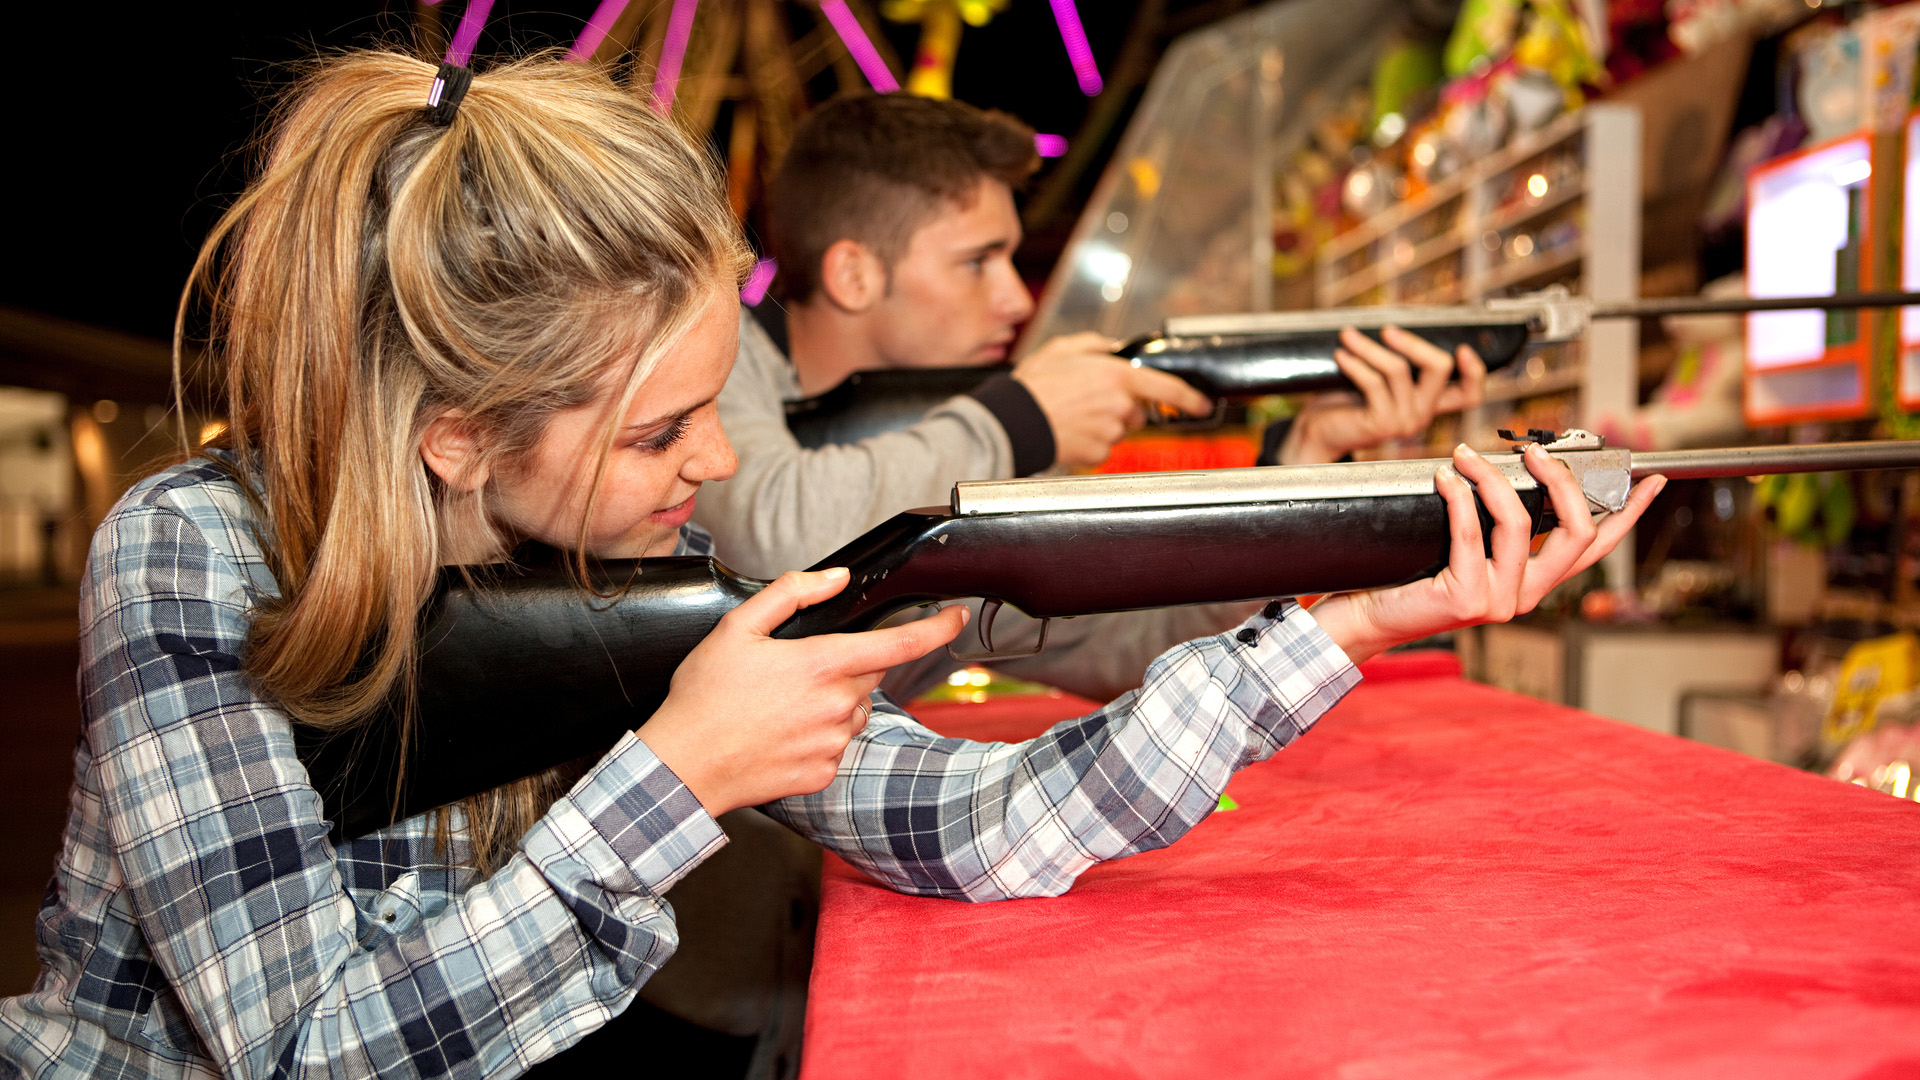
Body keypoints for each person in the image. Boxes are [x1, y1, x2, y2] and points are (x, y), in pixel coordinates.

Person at [0, 51, 1657, 1079]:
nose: (718, 466)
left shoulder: (596, 548)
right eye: (663, 435)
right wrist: (674, 777)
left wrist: (1351, 614)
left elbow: (976, 820)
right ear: (458, 435)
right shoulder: (195, 558)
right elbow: (308, 1054)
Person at [694, 92, 1488, 701]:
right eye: (980, 261)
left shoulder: (951, 448)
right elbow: (773, 539)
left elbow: (1138, 646)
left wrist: (1301, 459)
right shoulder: (708, 362)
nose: (1014, 299)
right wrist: (1019, 422)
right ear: (854, 275)